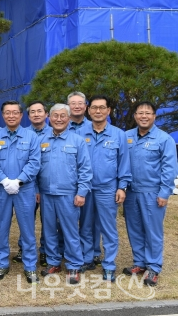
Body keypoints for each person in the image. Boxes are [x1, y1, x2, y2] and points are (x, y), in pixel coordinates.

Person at [76, 96, 131, 282]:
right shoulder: (79, 133)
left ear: (109, 111)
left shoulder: (118, 135)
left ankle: (108, 264)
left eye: (102, 108)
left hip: (108, 189)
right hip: (84, 188)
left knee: (108, 228)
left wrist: (122, 187)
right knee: (85, 225)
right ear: (88, 110)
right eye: (94, 108)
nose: (98, 111)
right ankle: (87, 258)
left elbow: (124, 163)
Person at [123, 101, 177, 286]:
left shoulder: (164, 139)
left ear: (154, 116)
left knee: (153, 231)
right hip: (131, 192)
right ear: (135, 116)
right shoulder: (126, 137)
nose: (143, 116)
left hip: (153, 193)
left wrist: (164, 193)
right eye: (140, 113)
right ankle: (139, 262)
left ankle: (153, 267)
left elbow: (169, 169)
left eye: (148, 113)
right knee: (134, 228)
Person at [38, 104, 92, 285]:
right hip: (46, 193)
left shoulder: (77, 141)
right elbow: (36, 168)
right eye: (55, 116)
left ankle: (74, 264)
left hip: (69, 194)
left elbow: (85, 169)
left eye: (62, 116)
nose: (59, 119)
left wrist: (82, 192)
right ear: (49, 118)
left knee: (70, 231)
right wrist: (38, 191)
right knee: (49, 231)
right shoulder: (42, 140)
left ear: (69, 119)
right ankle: (54, 262)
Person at [0, 101, 41, 283]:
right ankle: (2, 263)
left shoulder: (31, 136)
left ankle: (30, 266)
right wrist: (4, 180)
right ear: (2, 115)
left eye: (15, 113)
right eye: (7, 113)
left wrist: (18, 180)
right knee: (1, 227)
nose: (11, 116)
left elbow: (34, 162)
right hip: (2, 189)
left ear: (20, 115)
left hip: (24, 189)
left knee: (27, 229)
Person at [14, 101, 59, 267]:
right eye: (32, 112)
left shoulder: (55, 132)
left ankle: (45, 251)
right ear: (28, 115)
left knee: (48, 221)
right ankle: (24, 249)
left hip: (49, 184)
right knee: (26, 219)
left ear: (46, 114)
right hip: (28, 185)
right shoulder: (23, 134)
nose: (36, 114)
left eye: (40, 111)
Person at [67, 91, 102, 266]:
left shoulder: (93, 127)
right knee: (67, 221)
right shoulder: (62, 126)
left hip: (91, 184)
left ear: (86, 107)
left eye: (81, 103)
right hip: (68, 185)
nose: (77, 106)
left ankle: (92, 252)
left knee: (90, 221)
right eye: (73, 103)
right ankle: (67, 250)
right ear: (68, 106)